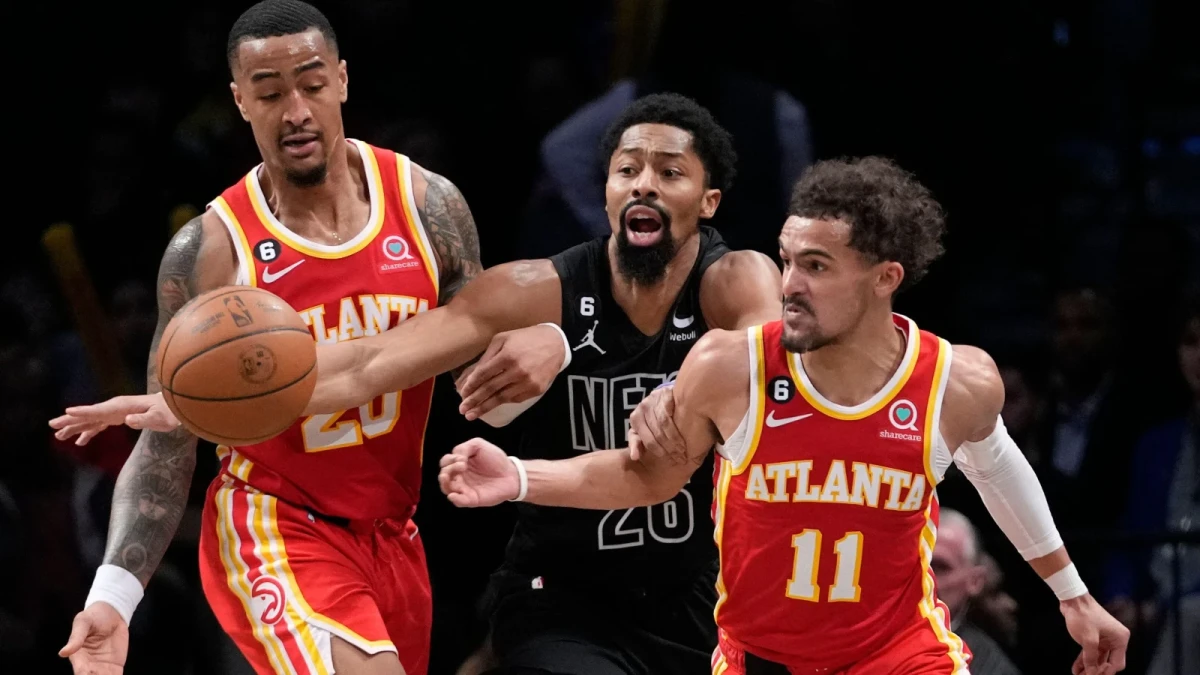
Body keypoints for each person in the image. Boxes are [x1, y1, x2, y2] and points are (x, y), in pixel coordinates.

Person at [53, 93, 784, 674]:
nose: (644, 184)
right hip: (565, 595)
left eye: (669, 171)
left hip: (701, 592)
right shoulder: (537, 288)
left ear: (709, 200)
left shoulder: (735, 277)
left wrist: (692, 381)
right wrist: (181, 402)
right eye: (629, 169)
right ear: (605, 191)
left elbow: (762, 350)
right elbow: (374, 361)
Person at [436, 157, 1132, 674]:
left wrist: (1072, 594)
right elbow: (645, 476)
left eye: (818, 267)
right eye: (787, 260)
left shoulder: (957, 381)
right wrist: (520, 476)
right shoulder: (729, 367)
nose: (790, 285)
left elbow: (997, 466)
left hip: (900, 654)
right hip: (763, 658)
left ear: (886, 277)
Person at [50, 2, 530, 674]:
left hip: (394, 532)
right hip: (275, 523)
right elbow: (166, 443)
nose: (295, 110)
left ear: (341, 79)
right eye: (270, 93)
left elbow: (479, 367)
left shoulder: (428, 205)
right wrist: (112, 595)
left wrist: (534, 360)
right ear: (240, 101)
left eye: (310, 84)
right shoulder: (211, 249)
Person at [932, 509, 1021, 675]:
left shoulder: (992, 667)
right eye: (916, 565)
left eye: (939, 567)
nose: (925, 578)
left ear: (975, 581)